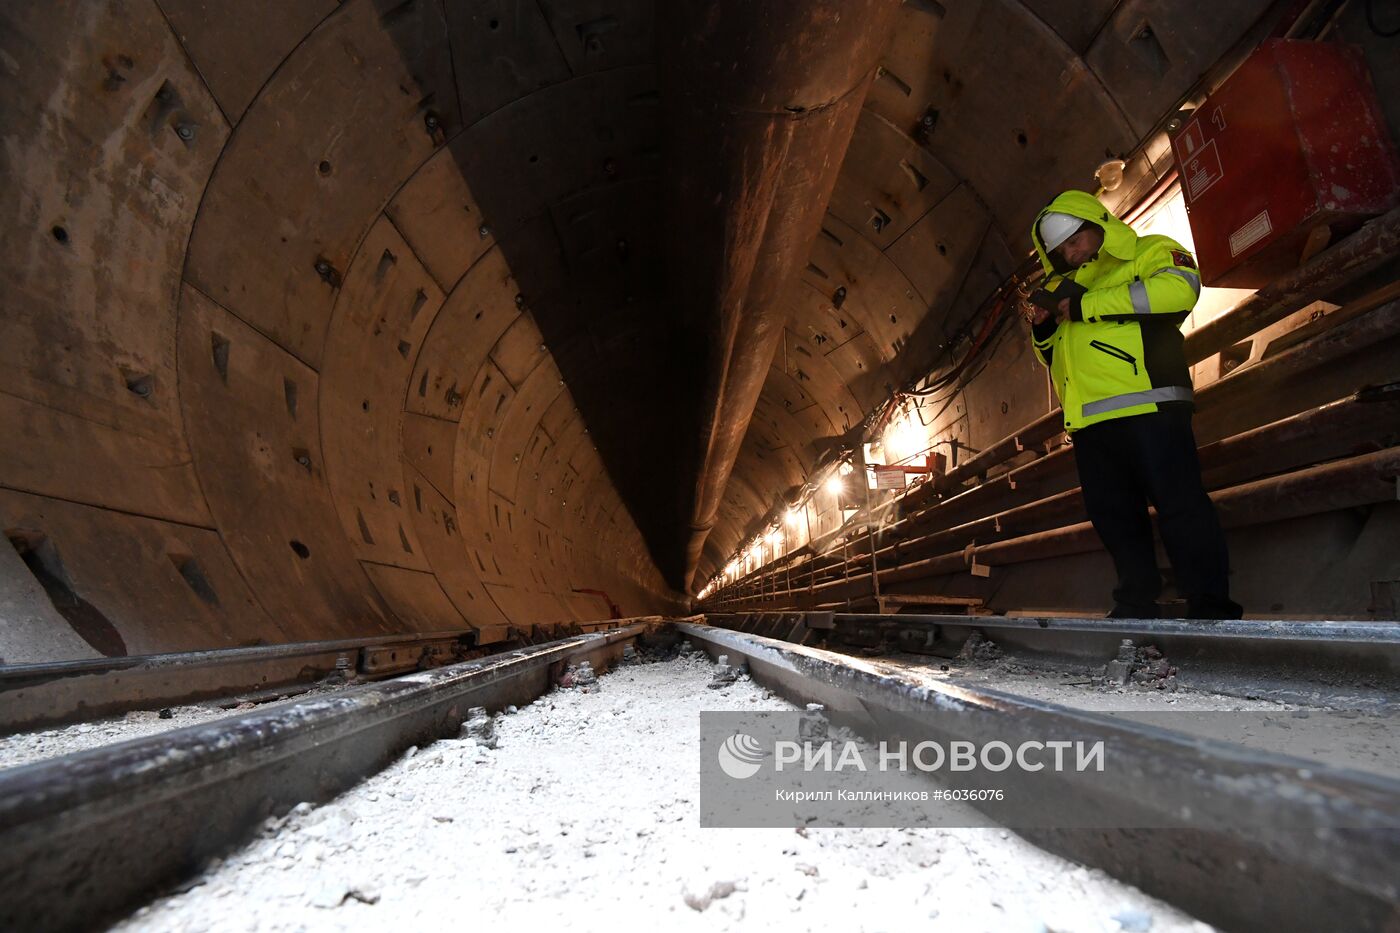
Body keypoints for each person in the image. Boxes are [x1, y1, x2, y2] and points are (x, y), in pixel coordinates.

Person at [1026, 190, 1243, 620]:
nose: (1070, 253)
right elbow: (1055, 356)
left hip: (1151, 406)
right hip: (1091, 420)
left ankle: (1210, 603)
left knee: (1179, 504)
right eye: (1062, 249)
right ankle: (1136, 600)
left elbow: (1179, 290)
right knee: (1114, 516)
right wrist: (1044, 329)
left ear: (1097, 225)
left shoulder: (1149, 251)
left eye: (1075, 241)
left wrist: (1088, 306)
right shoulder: (1064, 288)